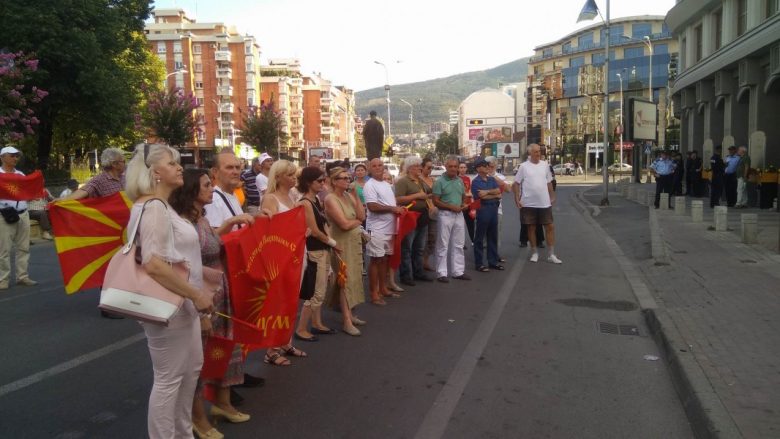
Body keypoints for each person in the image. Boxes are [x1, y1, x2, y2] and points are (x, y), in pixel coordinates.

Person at [124, 143, 214, 438]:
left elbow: (180, 258)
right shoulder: (153, 208)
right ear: (155, 173)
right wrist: (196, 294)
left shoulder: (162, 207)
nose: (179, 167)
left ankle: (183, 433)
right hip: (170, 308)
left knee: (188, 375)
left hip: (182, 307)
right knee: (169, 380)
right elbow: (154, 264)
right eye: (172, 163)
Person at [170, 169, 254, 438]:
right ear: (193, 191)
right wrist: (200, 311)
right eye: (206, 185)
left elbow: (212, 241)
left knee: (226, 349)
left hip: (220, 293)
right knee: (200, 359)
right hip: (201, 298)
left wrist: (230, 224)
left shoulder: (202, 218)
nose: (211, 188)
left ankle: (223, 404)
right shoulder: (183, 223)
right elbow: (185, 267)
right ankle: (198, 418)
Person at [203, 150, 265, 391]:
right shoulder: (214, 199)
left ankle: (236, 373)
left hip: (235, 270)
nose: (236, 171)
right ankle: (220, 387)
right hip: (222, 273)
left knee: (235, 328)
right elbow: (213, 239)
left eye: (238, 167)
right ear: (215, 173)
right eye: (229, 167)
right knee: (220, 333)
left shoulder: (231, 196)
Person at [260, 160, 308, 365]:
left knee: (291, 300)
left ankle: (285, 340)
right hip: (279, 257)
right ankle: (271, 349)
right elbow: (267, 230)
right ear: (277, 176)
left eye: (294, 174)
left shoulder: (291, 197)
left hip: (297, 254)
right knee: (278, 302)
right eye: (289, 174)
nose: (293, 177)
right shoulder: (270, 198)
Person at [295, 166, 341, 341]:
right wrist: (332, 242)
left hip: (322, 250)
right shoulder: (305, 203)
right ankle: (301, 328)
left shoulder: (314, 200)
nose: (323, 183)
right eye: (319, 181)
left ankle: (317, 323)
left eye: (324, 180)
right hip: (315, 251)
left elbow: (323, 226)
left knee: (321, 289)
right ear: (308, 182)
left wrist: (330, 242)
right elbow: (314, 230)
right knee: (316, 292)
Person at [324, 166, 367, 336]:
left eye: (348, 177)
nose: (347, 180)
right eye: (343, 178)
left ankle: (351, 313)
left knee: (355, 278)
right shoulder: (330, 199)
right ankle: (346, 321)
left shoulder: (349, 195)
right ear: (334, 181)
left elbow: (362, 216)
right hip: (341, 244)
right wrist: (356, 221)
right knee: (344, 281)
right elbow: (344, 224)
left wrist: (356, 196)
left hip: (353, 243)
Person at [364, 158, 404, 305]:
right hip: (377, 229)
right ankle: (374, 293)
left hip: (390, 228)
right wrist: (393, 209)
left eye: (380, 165)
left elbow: (389, 204)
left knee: (385, 260)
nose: (377, 168)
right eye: (374, 166)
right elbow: (372, 206)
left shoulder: (387, 184)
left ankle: (383, 288)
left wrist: (398, 208)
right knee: (376, 260)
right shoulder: (370, 185)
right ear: (369, 168)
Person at [513, 144, 561, 264]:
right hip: (528, 203)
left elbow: (549, 182)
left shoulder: (545, 165)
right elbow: (516, 183)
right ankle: (534, 252)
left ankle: (551, 254)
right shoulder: (523, 167)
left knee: (550, 226)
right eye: (535, 152)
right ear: (530, 153)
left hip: (544, 202)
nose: (538, 153)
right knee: (531, 227)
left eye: (539, 151)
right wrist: (517, 198)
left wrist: (552, 195)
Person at [0, 146, 38, 290]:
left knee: (24, 247)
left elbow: (29, 192)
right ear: (2, 157)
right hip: (4, 215)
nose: (15, 158)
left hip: (23, 213)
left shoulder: (21, 175)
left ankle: (22, 276)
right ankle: (3, 279)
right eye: (12, 155)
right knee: (4, 249)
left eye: (17, 156)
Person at [394, 156, 433, 287]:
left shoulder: (420, 181)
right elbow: (398, 199)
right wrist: (417, 196)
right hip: (410, 216)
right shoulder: (403, 181)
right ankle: (406, 275)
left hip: (422, 216)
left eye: (420, 166)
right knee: (407, 247)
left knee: (419, 247)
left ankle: (418, 271)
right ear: (410, 168)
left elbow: (427, 193)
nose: (420, 168)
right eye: (417, 166)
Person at [432, 156, 471, 283]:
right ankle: (441, 273)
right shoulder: (439, 182)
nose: (453, 169)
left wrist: (463, 205)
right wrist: (450, 207)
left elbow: (463, 196)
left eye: (455, 166)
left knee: (459, 244)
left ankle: (458, 271)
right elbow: (435, 201)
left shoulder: (460, 181)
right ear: (446, 166)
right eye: (451, 166)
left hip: (458, 215)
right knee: (443, 244)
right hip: (445, 215)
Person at [471, 158, 502, 272]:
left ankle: (492, 261)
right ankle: (479, 263)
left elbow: (499, 193)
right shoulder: (476, 182)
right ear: (478, 168)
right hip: (483, 210)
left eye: (487, 165)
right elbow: (480, 196)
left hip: (493, 209)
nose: (487, 167)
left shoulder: (492, 179)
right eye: (484, 165)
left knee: (493, 237)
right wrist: (492, 193)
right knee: (479, 238)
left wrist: (488, 192)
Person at [484, 156, 508, 261]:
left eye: (491, 165)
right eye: (487, 165)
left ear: (495, 166)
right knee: (483, 234)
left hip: (497, 210)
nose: (489, 168)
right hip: (483, 209)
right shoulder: (480, 176)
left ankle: (495, 254)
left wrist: (493, 176)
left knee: (496, 234)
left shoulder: (500, 177)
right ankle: (483, 256)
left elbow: (507, 189)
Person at [420, 157, 438, 272]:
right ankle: (420, 261)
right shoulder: (418, 180)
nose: (430, 170)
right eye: (428, 167)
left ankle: (426, 260)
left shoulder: (433, 180)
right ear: (422, 167)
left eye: (432, 168)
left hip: (434, 211)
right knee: (422, 238)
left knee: (432, 237)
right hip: (423, 211)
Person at [458, 162, 475, 245]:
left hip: (468, 204)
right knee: (460, 225)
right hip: (459, 205)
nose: (463, 169)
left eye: (464, 167)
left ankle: (473, 241)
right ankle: (461, 243)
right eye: (461, 167)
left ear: (466, 168)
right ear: (458, 169)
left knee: (471, 224)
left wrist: (472, 202)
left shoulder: (468, 178)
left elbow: (470, 191)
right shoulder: (456, 178)